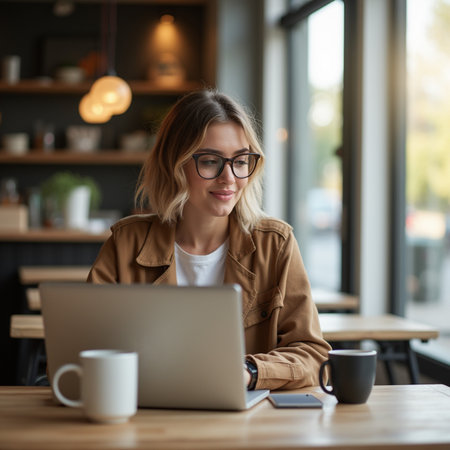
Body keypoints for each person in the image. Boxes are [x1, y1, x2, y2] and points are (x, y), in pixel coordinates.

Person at [87, 88, 331, 390]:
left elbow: (312, 354)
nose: (229, 177)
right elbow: (87, 347)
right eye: (210, 161)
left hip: (247, 424)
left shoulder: (276, 243)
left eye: (240, 161)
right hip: (148, 415)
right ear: (174, 164)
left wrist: (249, 372)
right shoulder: (126, 243)